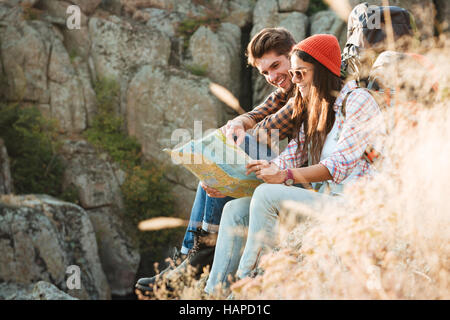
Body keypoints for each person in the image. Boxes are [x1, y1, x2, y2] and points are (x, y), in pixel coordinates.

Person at [204, 34, 386, 295]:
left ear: (322, 71)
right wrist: (228, 184)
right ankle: (213, 292)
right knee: (234, 209)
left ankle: (249, 284)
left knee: (267, 194)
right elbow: (284, 160)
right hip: (324, 201)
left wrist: (285, 175)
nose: (295, 82)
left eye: (301, 73)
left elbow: (338, 166)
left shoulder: (357, 101)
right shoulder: (315, 108)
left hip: (354, 208)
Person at [135, 27, 299, 297]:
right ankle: (189, 256)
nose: (272, 77)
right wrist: (237, 123)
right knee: (216, 161)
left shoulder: (308, 85)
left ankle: (196, 257)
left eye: (276, 66)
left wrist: (230, 173)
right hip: (287, 166)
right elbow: (262, 111)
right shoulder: (288, 86)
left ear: (292, 55)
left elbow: (269, 130)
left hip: (301, 177)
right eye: (264, 72)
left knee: (230, 153)